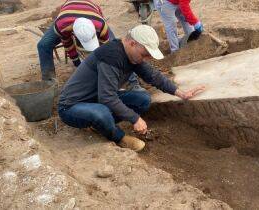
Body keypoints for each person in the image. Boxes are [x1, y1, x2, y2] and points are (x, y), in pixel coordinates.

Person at [58, 25, 205, 152]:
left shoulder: (132, 55)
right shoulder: (111, 57)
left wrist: (180, 93)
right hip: (71, 107)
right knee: (102, 112)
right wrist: (135, 119)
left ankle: (101, 125)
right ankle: (119, 138)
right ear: (132, 43)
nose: (146, 59)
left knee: (143, 99)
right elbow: (107, 97)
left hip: (97, 100)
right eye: (145, 54)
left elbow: (153, 76)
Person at [37, 0, 141, 90]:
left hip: (93, 14)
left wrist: (104, 69)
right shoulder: (61, 25)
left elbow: (106, 49)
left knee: (116, 47)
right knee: (43, 45)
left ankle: (133, 82)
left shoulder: (101, 25)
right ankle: (49, 84)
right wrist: (77, 63)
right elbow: (67, 43)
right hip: (66, 17)